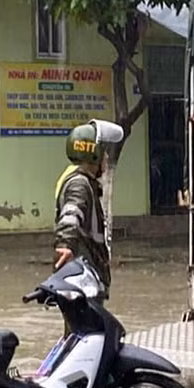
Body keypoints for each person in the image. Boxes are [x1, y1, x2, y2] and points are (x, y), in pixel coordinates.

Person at [53, 119, 124, 292]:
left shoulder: (79, 180)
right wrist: (65, 244)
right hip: (82, 280)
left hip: (83, 279)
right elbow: (72, 213)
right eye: (103, 153)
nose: (106, 158)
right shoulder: (80, 184)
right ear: (94, 154)